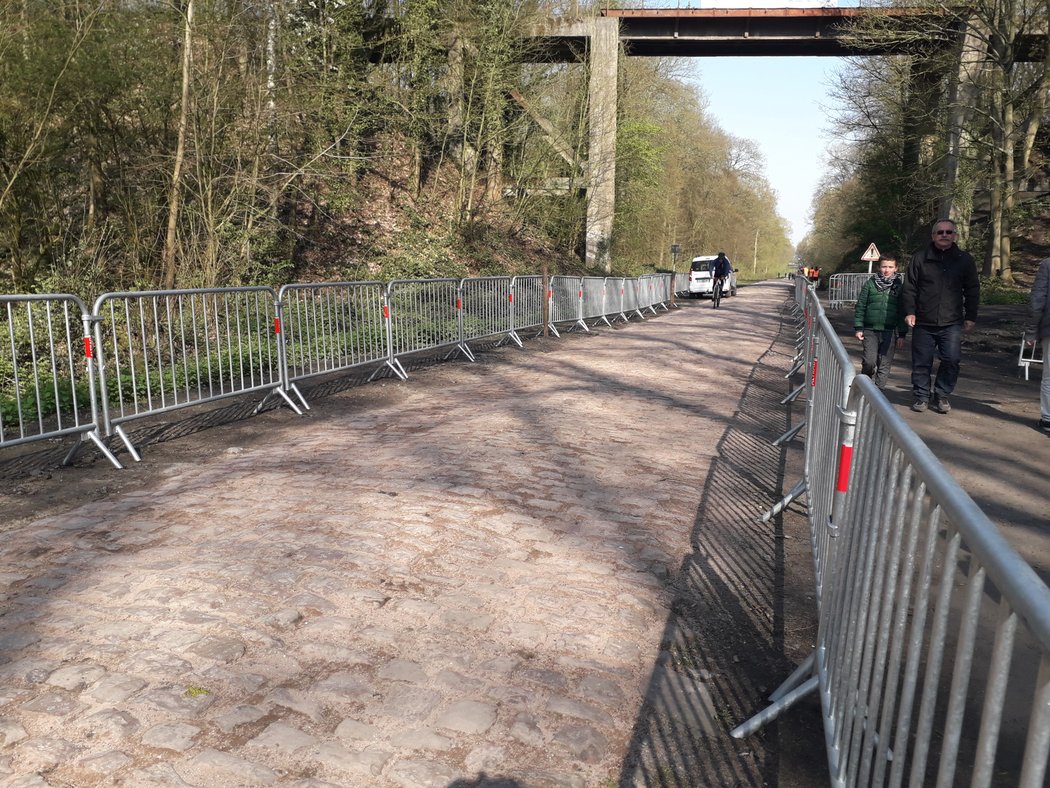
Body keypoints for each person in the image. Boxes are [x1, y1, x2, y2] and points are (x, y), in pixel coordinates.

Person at [901, 219, 980, 414]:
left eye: (948, 232)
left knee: (951, 360)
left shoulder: (965, 259)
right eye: (940, 232)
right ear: (933, 236)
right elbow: (909, 287)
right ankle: (921, 396)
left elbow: (972, 289)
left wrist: (971, 315)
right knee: (921, 361)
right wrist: (910, 311)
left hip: (951, 322)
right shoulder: (920, 258)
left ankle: (942, 394)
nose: (944, 235)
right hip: (923, 320)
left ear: (955, 236)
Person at [853, 257, 908, 389]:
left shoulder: (899, 287)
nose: (886, 270)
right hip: (870, 330)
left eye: (890, 267)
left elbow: (902, 311)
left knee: (884, 364)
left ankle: (878, 393)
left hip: (889, 331)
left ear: (896, 269)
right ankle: (865, 388)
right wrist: (858, 327)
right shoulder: (870, 284)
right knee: (869, 362)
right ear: (879, 268)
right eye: (884, 267)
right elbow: (861, 306)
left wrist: (902, 334)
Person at [1024, 256, 1050, 432]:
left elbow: (1037, 300)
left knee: (1049, 376)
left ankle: (1048, 418)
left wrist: (1032, 331)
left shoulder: (1048, 264)